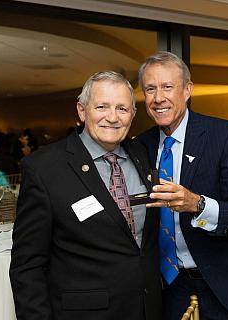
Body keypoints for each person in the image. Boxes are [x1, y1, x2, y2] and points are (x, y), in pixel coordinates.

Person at [136, 52, 228, 320]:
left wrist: (198, 205)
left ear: (188, 89)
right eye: (150, 89)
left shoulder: (226, 135)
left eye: (167, 87)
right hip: (168, 286)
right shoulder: (139, 146)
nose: (158, 98)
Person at [9, 71, 161, 320]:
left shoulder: (142, 154)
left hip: (146, 308)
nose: (112, 118)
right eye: (102, 106)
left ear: (133, 115)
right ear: (82, 110)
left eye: (122, 109)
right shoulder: (44, 168)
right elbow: (27, 265)